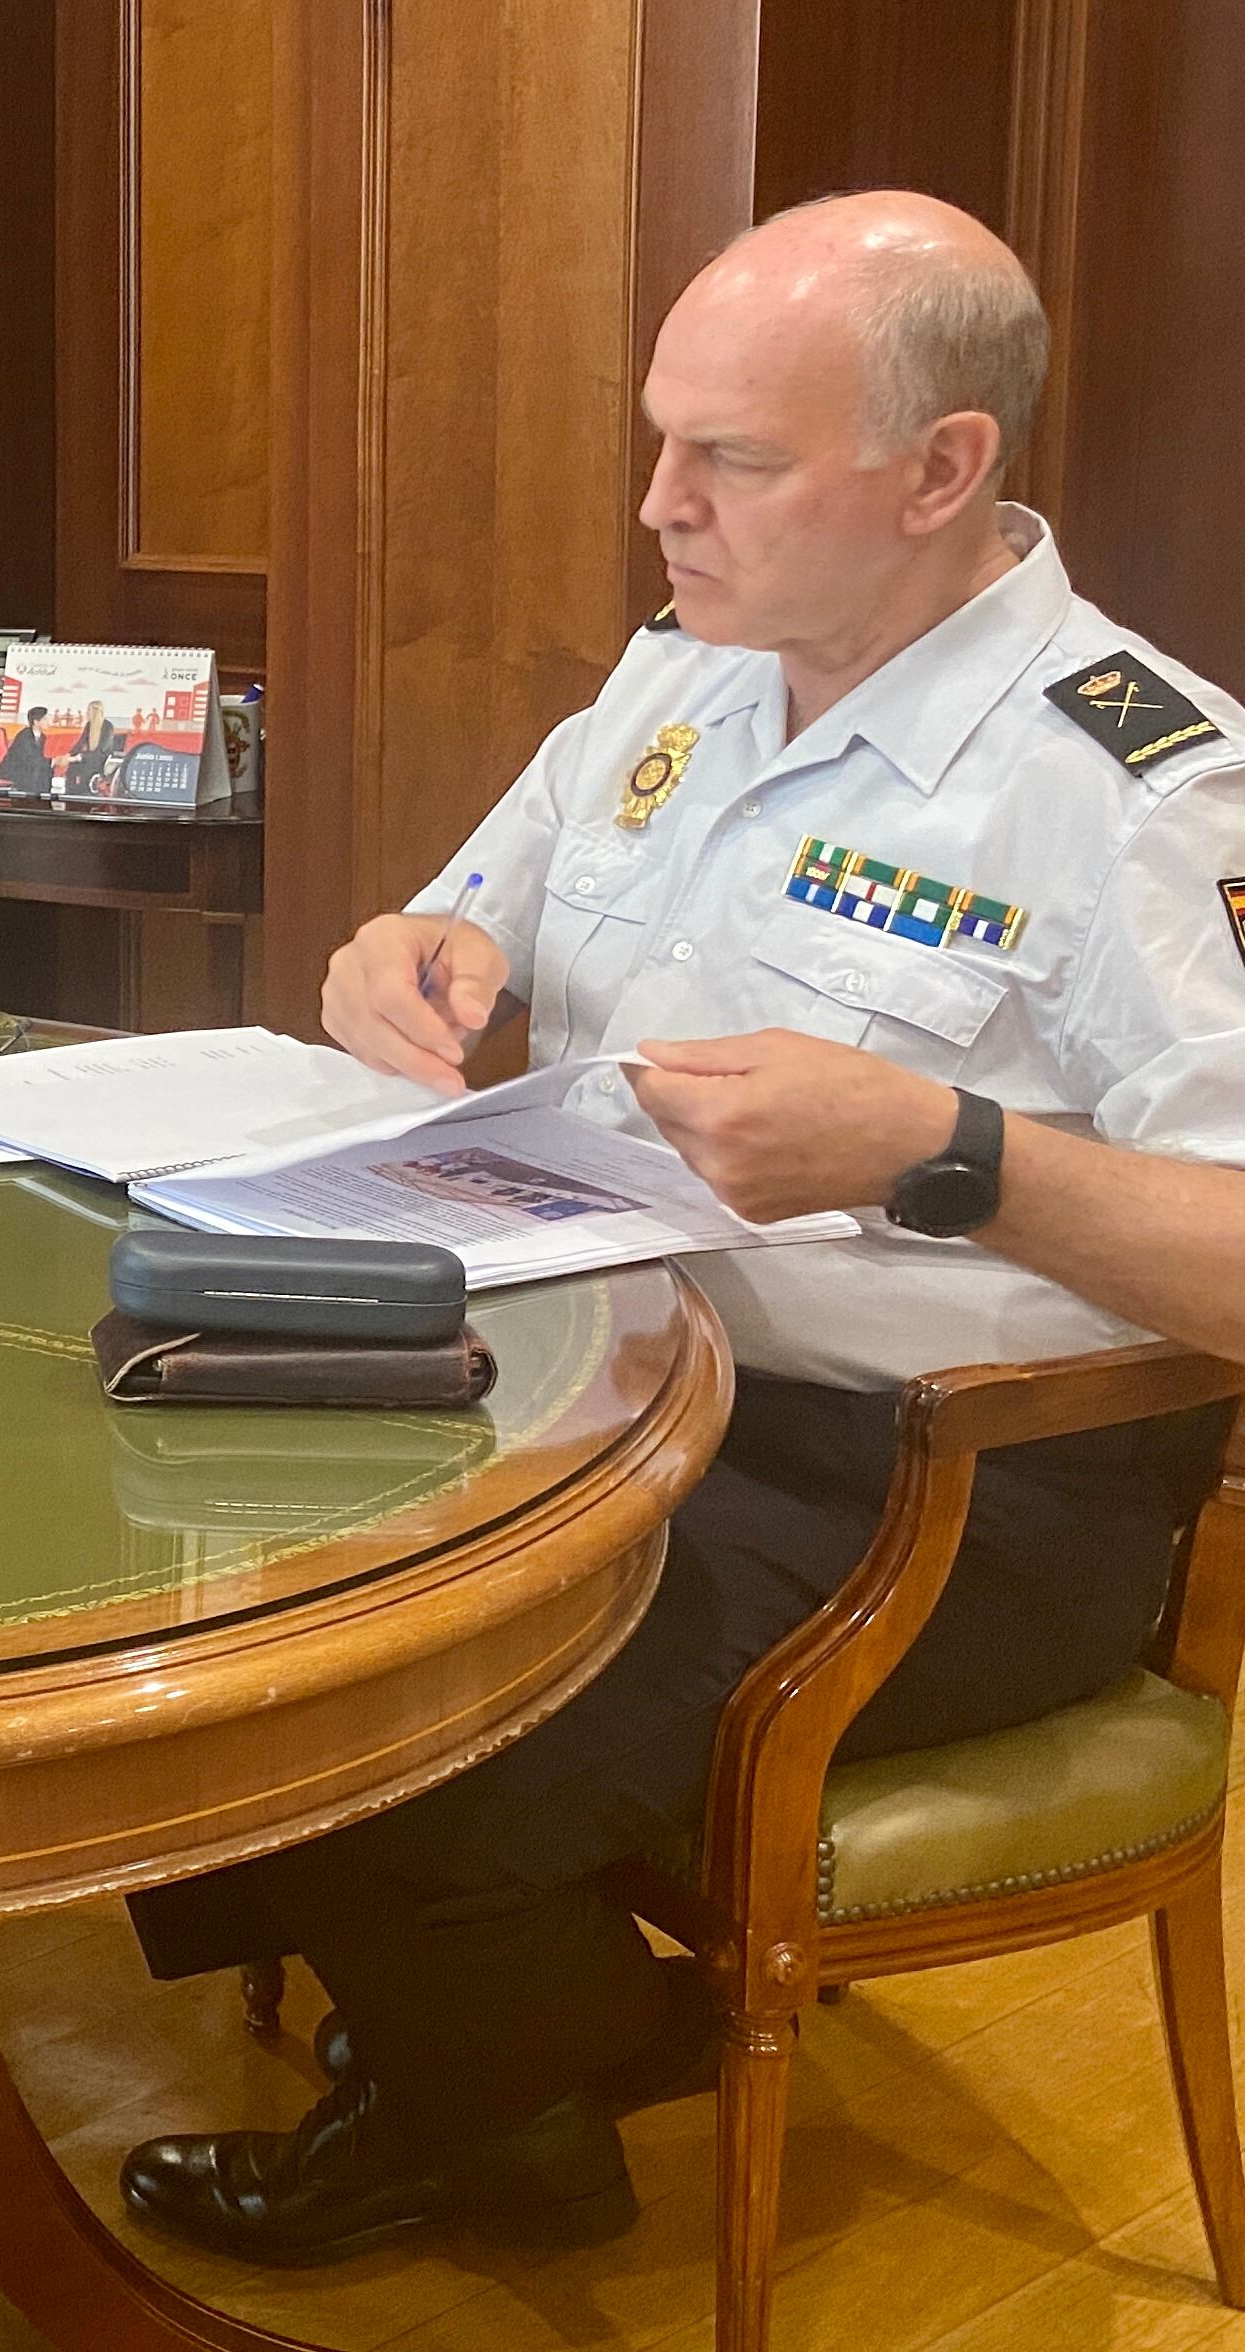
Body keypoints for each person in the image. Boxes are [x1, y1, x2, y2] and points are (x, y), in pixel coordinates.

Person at [119, 191, 1245, 2264]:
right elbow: (464, 919)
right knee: (178, 1538)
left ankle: (508, 2082)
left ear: (942, 471)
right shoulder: (684, 681)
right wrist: (408, 959)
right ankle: (496, 2059)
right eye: (663, 441)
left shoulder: (1140, 795)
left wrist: (949, 1144)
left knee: (382, 1715)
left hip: (945, 1493)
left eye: (729, 457)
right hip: (621, 1386)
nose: (660, 505)